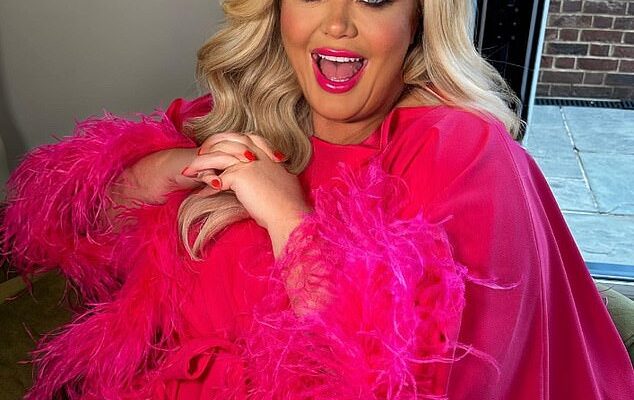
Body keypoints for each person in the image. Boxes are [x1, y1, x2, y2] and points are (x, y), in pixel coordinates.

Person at [1, 0, 632, 398]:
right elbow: (64, 222)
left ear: (418, 20)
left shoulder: (461, 151)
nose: (336, 22)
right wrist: (177, 166)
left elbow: (406, 377)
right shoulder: (252, 114)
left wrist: (287, 216)